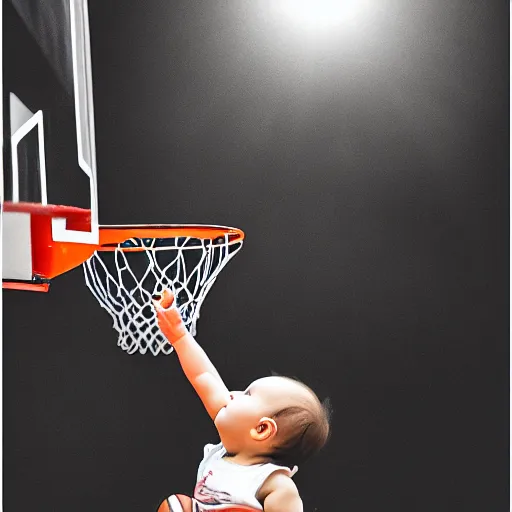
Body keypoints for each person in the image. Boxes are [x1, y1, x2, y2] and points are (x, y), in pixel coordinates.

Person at [153, 290, 330, 512]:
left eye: (247, 394)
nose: (231, 393)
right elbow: (203, 377)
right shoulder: (221, 452)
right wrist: (179, 335)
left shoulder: (274, 484)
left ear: (261, 428)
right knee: (175, 505)